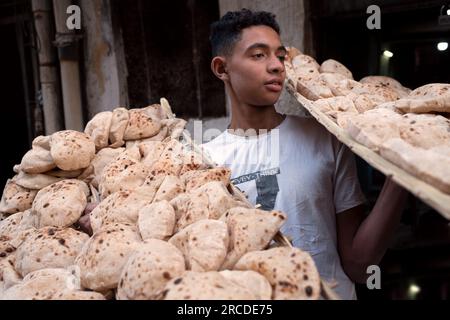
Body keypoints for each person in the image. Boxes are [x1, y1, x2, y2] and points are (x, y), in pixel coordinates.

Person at [201, 8, 408, 300]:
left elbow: (359, 267)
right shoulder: (205, 162)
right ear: (222, 69)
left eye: (280, 55)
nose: (276, 66)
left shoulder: (326, 138)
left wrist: (402, 175)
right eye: (259, 55)